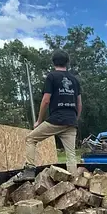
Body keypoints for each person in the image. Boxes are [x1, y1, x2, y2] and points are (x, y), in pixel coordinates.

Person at [15, 49, 82, 181]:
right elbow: (79, 104)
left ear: (53, 62)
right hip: (71, 121)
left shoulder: (52, 77)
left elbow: (46, 100)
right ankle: (74, 184)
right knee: (71, 155)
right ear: (67, 63)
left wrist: (39, 121)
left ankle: (29, 171)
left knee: (31, 139)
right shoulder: (74, 80)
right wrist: (75, 119)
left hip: (56, 119)